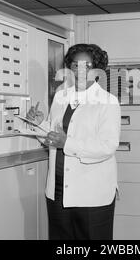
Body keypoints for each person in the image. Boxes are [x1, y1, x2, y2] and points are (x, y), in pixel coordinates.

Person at [27, 43, 121, 240]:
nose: (80, 70)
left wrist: (66, 144)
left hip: (92, 193)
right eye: (75, 65)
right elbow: (52, 139)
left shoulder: (108, 101)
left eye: (87, 65)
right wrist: (38, 124)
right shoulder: (61, 97)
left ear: (97, 69)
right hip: (58, 190)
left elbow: (107, 146)